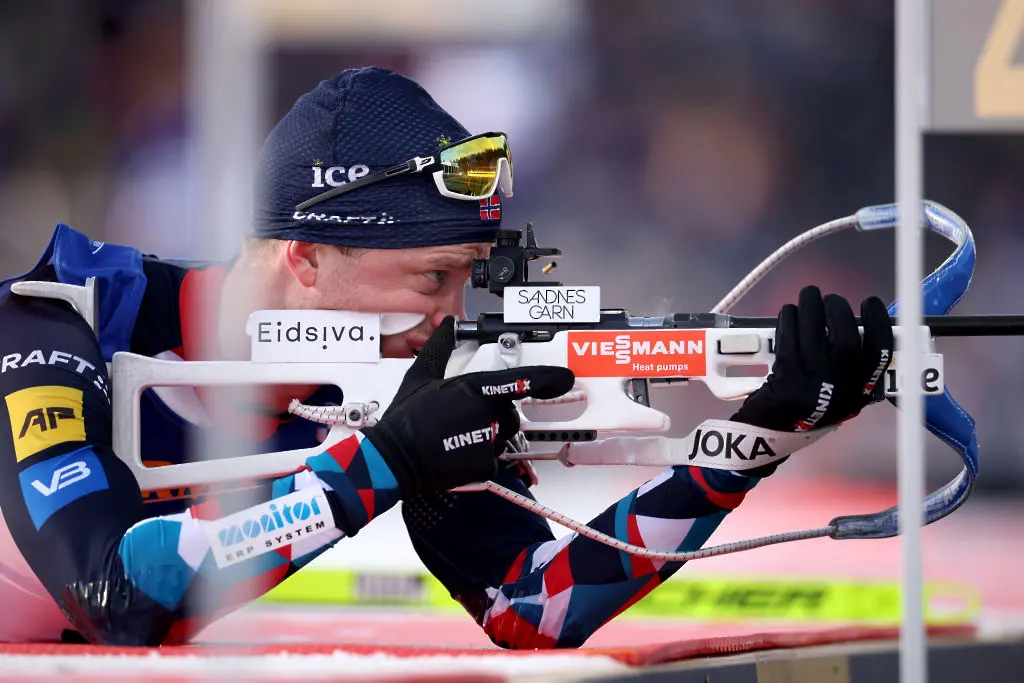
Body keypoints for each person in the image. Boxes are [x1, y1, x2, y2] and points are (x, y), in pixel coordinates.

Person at [0, 67, 893, 648]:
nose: (451, 316)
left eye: (465, 279)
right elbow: (114, 591)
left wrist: (751, 442)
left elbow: (533, 606)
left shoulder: (388, 378)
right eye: (430, 277)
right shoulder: (54, 324)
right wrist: (386, 461)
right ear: (304, 257)